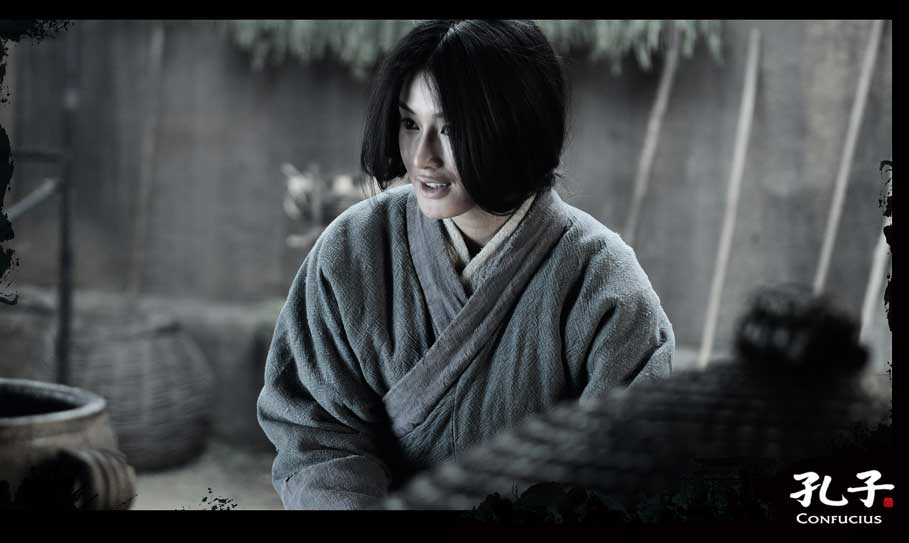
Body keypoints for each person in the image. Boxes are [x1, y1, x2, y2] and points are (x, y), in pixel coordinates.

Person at [257, 20, 675, 510]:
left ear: (518, 125)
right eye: (410, 123)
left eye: (451, 128)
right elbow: (317, 433)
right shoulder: (353, 248)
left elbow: (625, 472)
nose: (422, 157)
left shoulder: (604, 284)